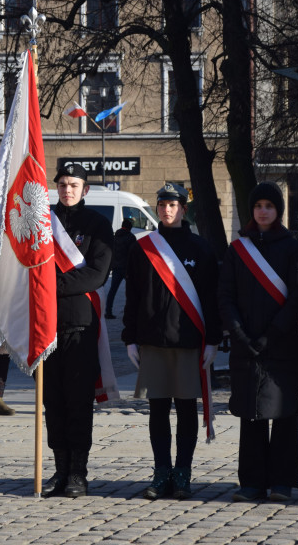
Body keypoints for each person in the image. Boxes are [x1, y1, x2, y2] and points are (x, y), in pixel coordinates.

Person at [122, 182, 220, 500]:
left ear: (183, 209)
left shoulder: (201, 248)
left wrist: (213, 341)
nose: (167, 210)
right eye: (162, 204)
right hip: (152, 342)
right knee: (158, 411)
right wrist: (130, 339)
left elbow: (211, 299)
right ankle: (161, 472)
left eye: (173, 205)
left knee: (187, 411)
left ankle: (183, 473)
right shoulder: (143, 248)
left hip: (189, 342)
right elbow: (133, 297)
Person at [218, 181, 298, 503]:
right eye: (258, 206)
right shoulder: (237, 250)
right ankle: (252, 482)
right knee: (250, 412)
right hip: (246, 345)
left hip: (281, 343)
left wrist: (272, 333)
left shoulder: (294, 248)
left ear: (278, 211)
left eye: (269, 206)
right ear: (252, 210)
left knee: (283, 413)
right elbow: (225, 295)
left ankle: (282, 482)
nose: (263, 211)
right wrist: (239, 332)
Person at [42, 162, 113, 498]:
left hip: (80, 325)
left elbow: (96, 274)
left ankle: (77, 474)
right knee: (52, 403)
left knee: (78, 402)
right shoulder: (41, 223)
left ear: (85, 189)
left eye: (74, 185)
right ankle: (59, 470)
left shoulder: (98, 224)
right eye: (63, 184)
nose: (67, 190)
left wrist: (50, 285)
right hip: (44, 327)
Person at [105, 218, 136, 319]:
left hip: (116, 267)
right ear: (130, 227)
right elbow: (132, 254)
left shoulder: (115, 237)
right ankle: (132, 312)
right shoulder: (131, 237)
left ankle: (108, 311)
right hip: (127, 269)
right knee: (132, 290)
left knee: (112, 291)